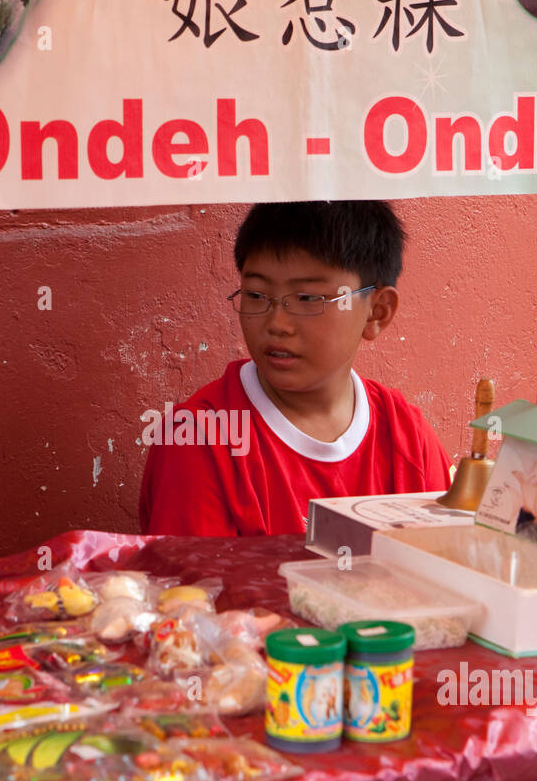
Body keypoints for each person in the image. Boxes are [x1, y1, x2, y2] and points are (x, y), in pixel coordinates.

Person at [139, 200, 452, 536]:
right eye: (257, 295)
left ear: (377, 312)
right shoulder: (200, 441)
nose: (277, 324)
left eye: (307, 299)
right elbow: (195, 588)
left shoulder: (407, 439)